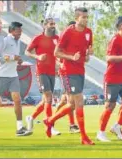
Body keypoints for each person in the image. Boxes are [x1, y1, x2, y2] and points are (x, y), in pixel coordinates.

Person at [43, 7, 95, 145]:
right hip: (67, 70)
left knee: (71, 105)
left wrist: (89, 53)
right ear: (77, 18)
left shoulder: (89, 32)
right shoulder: (68, 32)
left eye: (86, 17)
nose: (86, 19)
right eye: (83, 17)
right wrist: (71, 57)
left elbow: (87, 57)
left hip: (80, 70)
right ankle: (84, 137)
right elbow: (56, 53)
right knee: (79, 101)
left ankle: (50, 121)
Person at [96, 16, 122, 142]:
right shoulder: (115, 40)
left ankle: (117, 126)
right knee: (110, 106)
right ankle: (101, 132)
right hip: (112, 79)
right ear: (121, 27)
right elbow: (108, 58)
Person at [25, 18, 61, 136]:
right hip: (41, 72)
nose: (53, 26)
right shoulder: (38, 38)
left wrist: (59, 64)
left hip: (52, 72)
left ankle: (31, 117)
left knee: (46, 100)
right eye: (51, 24)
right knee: (49, 97)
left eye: (54, 24)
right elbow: (27, 52)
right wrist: (38, 57)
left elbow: (59, 52)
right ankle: (50, 126)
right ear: (45, 26)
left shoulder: (57, 39)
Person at [0, 21, 32, 136]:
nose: (20, 33)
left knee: (17, 100)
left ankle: (19, 128)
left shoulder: (18, 42)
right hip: (1, 76)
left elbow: (15, 58)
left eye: (21, 31)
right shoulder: (4, 41)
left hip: (13, 76)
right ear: (12, 31)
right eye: (18, 31)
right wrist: (13, 57)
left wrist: (19, 60)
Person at [55, 20, 80, 134]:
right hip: (65, 72)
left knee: (65, 101)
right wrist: (60, 64)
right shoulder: (63, 40)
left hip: (74, 73)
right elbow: (55, 55)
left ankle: (52, 120)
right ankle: (52, 121)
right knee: (71, 101)